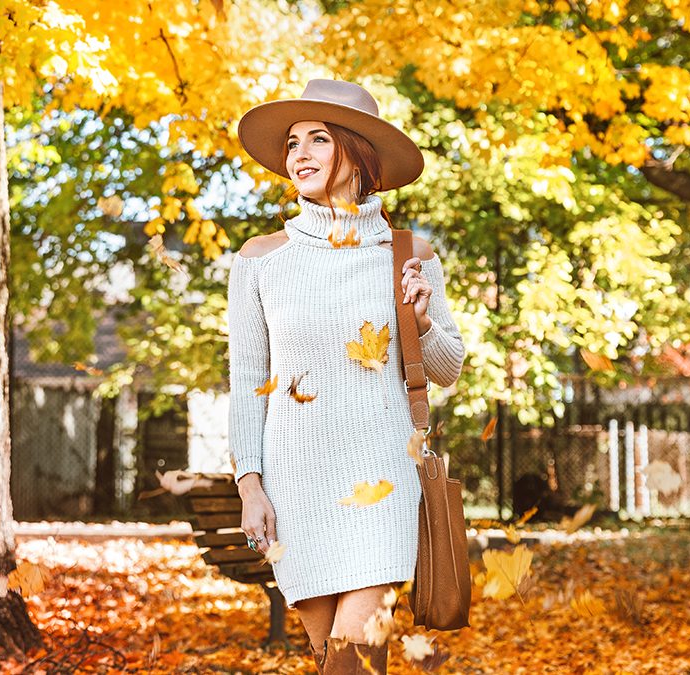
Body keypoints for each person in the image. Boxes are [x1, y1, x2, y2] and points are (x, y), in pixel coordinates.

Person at [227, 79, 467, 673]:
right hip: (296, 486)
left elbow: (447, 370)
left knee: (355, 662)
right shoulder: (261, 259)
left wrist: (421, 322)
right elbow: (246, 381)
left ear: (358, 152)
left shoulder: (411, 252)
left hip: (383, 482)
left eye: (318, 139)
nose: (299, 155)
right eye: (292, 143)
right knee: (330, 660)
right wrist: (249, 486)